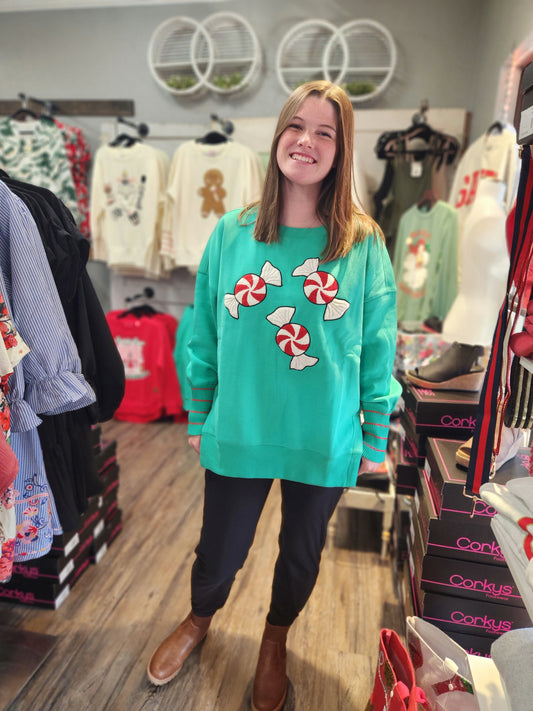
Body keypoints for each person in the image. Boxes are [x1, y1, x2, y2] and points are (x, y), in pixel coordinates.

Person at [146, 80, 401, 711]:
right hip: (239, 426)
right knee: (220, 550)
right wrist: (199, 410)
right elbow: (202, 330)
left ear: (342, 152)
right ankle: (200, 618)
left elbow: (378, 344)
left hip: (325, 434)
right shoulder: (232, 234)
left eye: (325, 132)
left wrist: (373, 436)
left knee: (300, 556)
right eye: (296, 126)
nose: (306, 142)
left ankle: (274, 640)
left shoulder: (362, 243)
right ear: (277, 135)